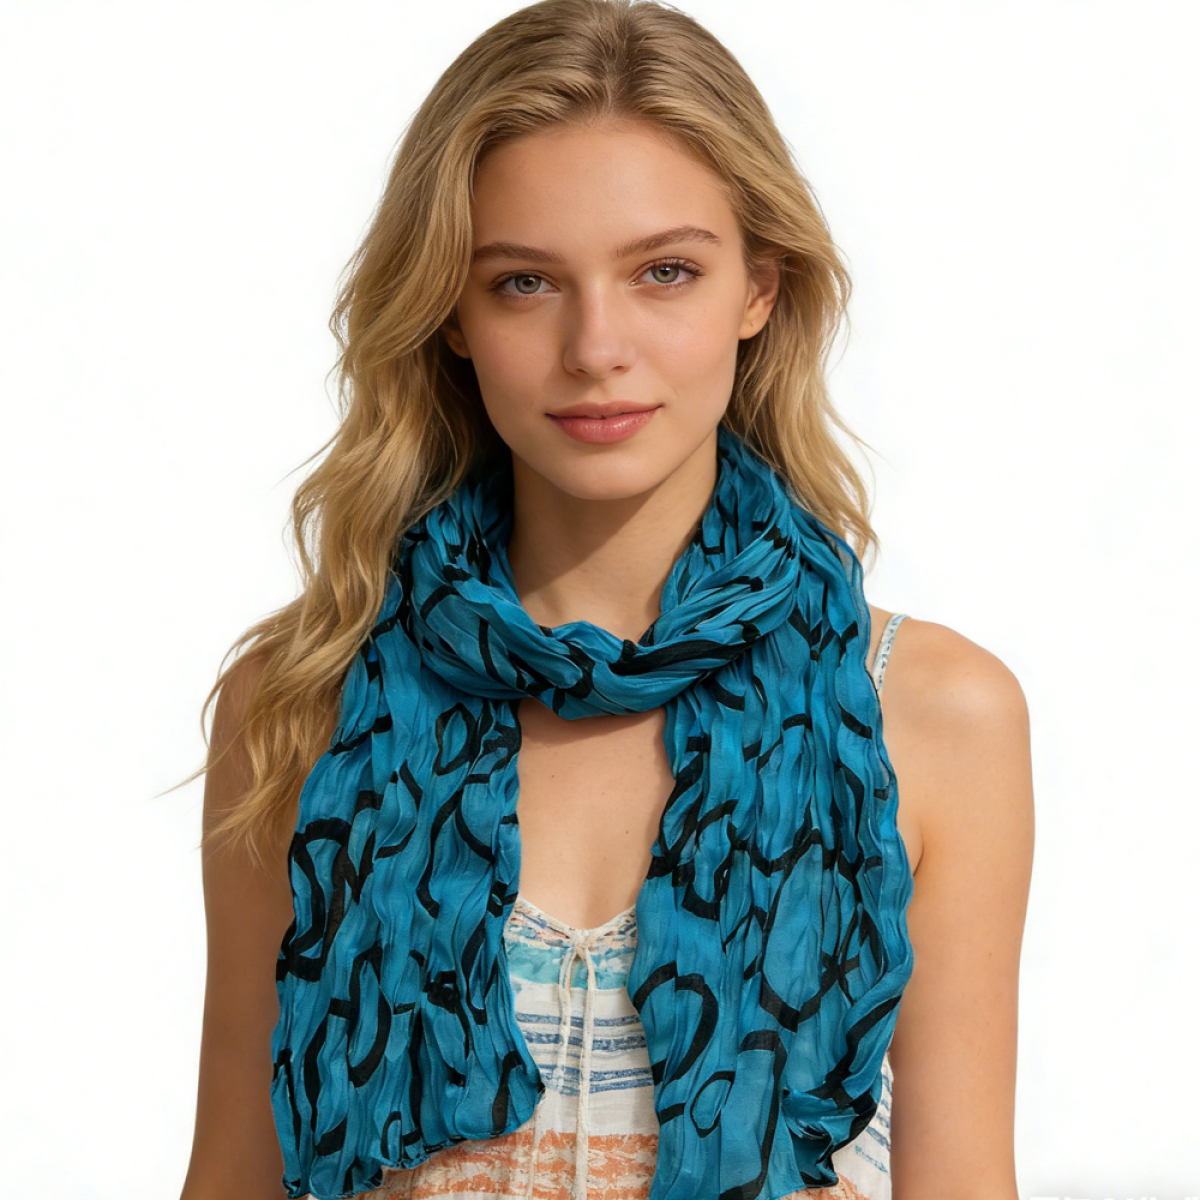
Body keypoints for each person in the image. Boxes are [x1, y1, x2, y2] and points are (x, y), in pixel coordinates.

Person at [178, 2, 1035, 1198]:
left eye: (664, 272)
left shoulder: (934, 715)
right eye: (524, 282)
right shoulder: (303, 701)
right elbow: (233, 1174)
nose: (596, 347)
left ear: (760, 288)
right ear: (452, 316)